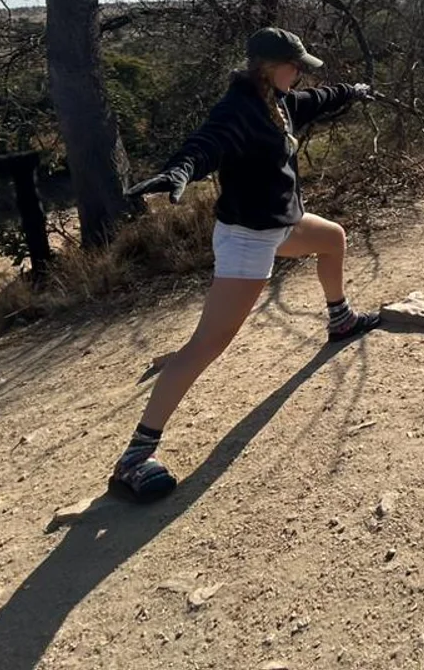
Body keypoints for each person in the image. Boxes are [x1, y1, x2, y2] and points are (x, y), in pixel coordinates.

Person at [110, 27, 381, 501]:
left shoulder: (278, 104)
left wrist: (353, 93)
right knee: (206, 346)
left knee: (333, 238)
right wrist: (180, 169)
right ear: (266, 67)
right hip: (247, 240)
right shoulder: (239, 109)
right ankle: (135, 456)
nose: (300, 73)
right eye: (294, 65)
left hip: (281, 226)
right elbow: (208, 142)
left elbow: (318, 99)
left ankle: (340, 319)